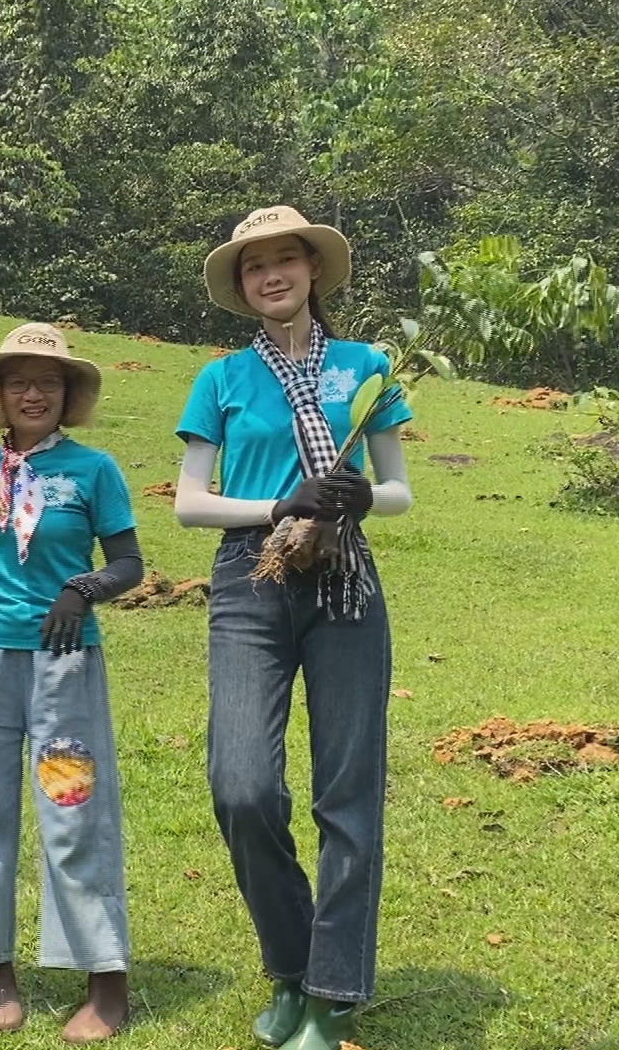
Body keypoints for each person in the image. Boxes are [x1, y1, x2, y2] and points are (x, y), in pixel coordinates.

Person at [172, 206, 414, 1050]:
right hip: (252, 577)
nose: (271, 275)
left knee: (348, 790)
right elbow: (188, 502)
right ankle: (288, 962)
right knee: (242, 786)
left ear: (313, 270)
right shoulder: (221, 379)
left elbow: (399, 490)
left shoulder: (368, 367)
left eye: (285, 260)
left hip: (347, 580)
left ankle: (333, 990)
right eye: (254, 267)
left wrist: (355, 497)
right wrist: (279, 504)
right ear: (242, 288)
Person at [0, 323, 144, 1042]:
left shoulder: (94, 470)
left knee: (72, 807)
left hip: (63, 663)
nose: (33, 392)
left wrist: (82, 588)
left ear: (67, 394)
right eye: (19, 380)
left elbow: (129, 564)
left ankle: (104, 982)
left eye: (48, 382)